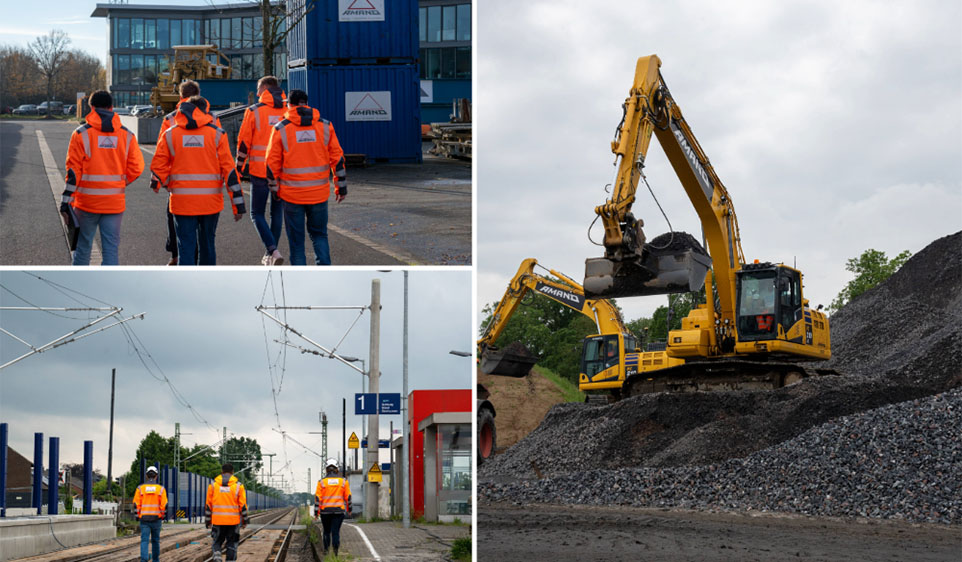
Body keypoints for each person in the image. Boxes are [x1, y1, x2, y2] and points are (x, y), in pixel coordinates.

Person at [150, 96, 245, 265]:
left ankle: (187, 286)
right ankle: (207, 286)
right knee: (208, 246)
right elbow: (230, 172)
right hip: (210, 203)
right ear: (204, 112)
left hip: (182, 202)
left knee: (185, 248)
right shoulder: (217, 134)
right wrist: (238, 205)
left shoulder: (170, 134)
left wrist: (158, 183)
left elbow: (159, 167)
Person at [60, 90, 144, 265]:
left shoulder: (81, 134)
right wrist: (121, 182)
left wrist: (65, 201)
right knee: (111, 250)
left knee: (83, 249)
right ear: (112, 108)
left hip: (86, 203)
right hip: (114, 202)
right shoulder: (127, 135)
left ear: (91, 108)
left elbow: (73, 173)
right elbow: (137, 167)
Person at [265, 89, 347, 266]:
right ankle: (324, 274)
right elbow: (337, 159)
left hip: (292, 195)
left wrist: (274, 190)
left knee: (296, 243)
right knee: (319, 235)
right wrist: (341, 187)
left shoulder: (281, 128)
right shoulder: (325, 126)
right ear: (306, 103)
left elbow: (271, 165)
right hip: (319, 194)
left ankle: (300, 280)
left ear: (289, 105)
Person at [155, 80, 222, 265]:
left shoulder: (169, 119)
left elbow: (162, 154)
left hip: (180, 189)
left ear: (180, 96)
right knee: (207, 240)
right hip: (210, 191)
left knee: (182, 234)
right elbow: (222, 155)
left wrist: (165, 182)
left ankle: (177, 258)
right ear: (199, 94)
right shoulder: (214, 120)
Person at [236, 75, 288, 266]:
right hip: (282, 172)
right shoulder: (288, 110)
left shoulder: (254, 111)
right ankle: (271, 253)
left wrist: (239, 169)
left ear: (265, 88)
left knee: (256, 213)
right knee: (277, 213)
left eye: (258, 89)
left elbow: (243, 143)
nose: (257, 94)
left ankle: (272, 250)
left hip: (260, 171)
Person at [206, 463, 248, 562]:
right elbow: (243, 506)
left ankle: (217, 557)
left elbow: (208, 506)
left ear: (222, 472)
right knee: (232, 544)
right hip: (233, 522)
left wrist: (208, 521)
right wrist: (245, 520)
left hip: (218, 521)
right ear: (233, 472)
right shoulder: (239, 487)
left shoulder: (212, 486)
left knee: (217, 542)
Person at [314, 459, 351, 558]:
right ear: (336, 469)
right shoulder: (343, 481)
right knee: (335, 532)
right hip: (339, 512)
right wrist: (350, 510)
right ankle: (335, 553)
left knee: (326, 531)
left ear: (326, 469)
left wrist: (316, 513)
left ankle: (326, 551)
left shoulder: (321, 482)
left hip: (325, 512)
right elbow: (348, 497)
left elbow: (318, 499)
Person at [133, 466, 167, 562]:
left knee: (144, 540)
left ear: (147, 476)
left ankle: (144, 560)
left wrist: (137, 517)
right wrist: (162, 516)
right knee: (155, 541)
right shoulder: (161, 489)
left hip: (144, 520)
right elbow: (164, 505)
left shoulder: (140, 489)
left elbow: (136, 505)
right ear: (156, 476)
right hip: (156, 519)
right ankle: (155, 560)